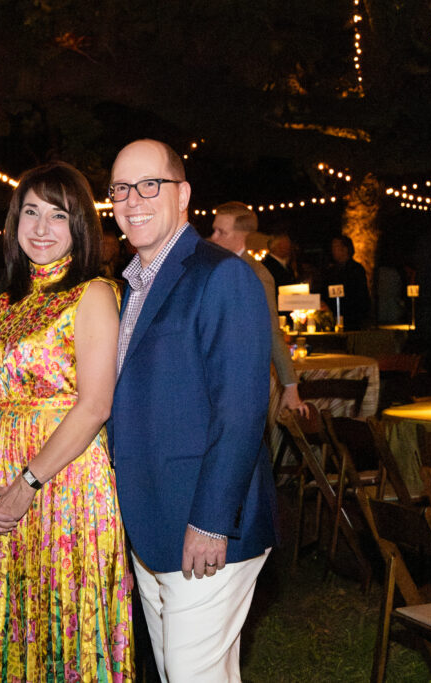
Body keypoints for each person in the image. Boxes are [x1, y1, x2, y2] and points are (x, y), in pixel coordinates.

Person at [109, 139, 276, 681]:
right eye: (120, 188)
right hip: (151, 525)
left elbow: (242, 409)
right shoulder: (129, 286)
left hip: (207, 528)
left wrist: (210, 521)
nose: (133, 199)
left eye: (148, 184)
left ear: (182, 194)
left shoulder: (221, 275)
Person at [0, 162, 133, 681]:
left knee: (67, 621)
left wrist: (27, 482)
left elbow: (94, 406)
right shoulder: (7, 302)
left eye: (57, 215)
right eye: (31, 213)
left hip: (65, 486)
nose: (41, 228)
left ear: (79, 225)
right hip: (1, 490)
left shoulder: (93, 294)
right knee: (18, 619)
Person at [210, 201, 307, 417]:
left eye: (221, 232)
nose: (213, 237)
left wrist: (290, 387)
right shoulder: (211, 267)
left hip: (237, 384)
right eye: (214, 230)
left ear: (241, 236)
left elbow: (272, 331)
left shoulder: (257, 275)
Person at [322, 234, 370, 330]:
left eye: (335, 246)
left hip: (352, 318)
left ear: (345, 249)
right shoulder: (331, 271)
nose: (333, 250)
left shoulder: (356, 269)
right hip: (333, 316)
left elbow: (359, 295)